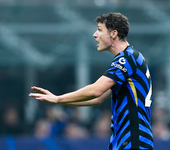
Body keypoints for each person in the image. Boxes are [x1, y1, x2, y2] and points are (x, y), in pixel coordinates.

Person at [29, 12, 153, 150]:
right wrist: (59, 100)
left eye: (100, 30)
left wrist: (58, 99)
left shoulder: (126, 59)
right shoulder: (133, 57)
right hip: (126, 140)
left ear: (113, 34)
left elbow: (96, 90)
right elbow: (97, 99)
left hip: (133, 140)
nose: (95, 34)